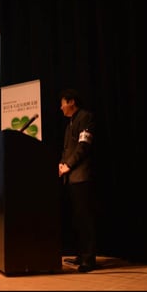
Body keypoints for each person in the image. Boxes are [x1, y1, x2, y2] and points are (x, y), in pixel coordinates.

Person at [58, 88, 97, 273]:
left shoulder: (86, 117)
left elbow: (83, 146)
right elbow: (67, 149)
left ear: (71, 101)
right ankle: (81, 255)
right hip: (71, 178)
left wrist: (69, 165)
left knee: (85, 219)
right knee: (77, 219)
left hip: (82, 176)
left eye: (62, 103)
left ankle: (89, 259)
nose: (61, 108)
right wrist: (61, 163)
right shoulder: (69, 124)